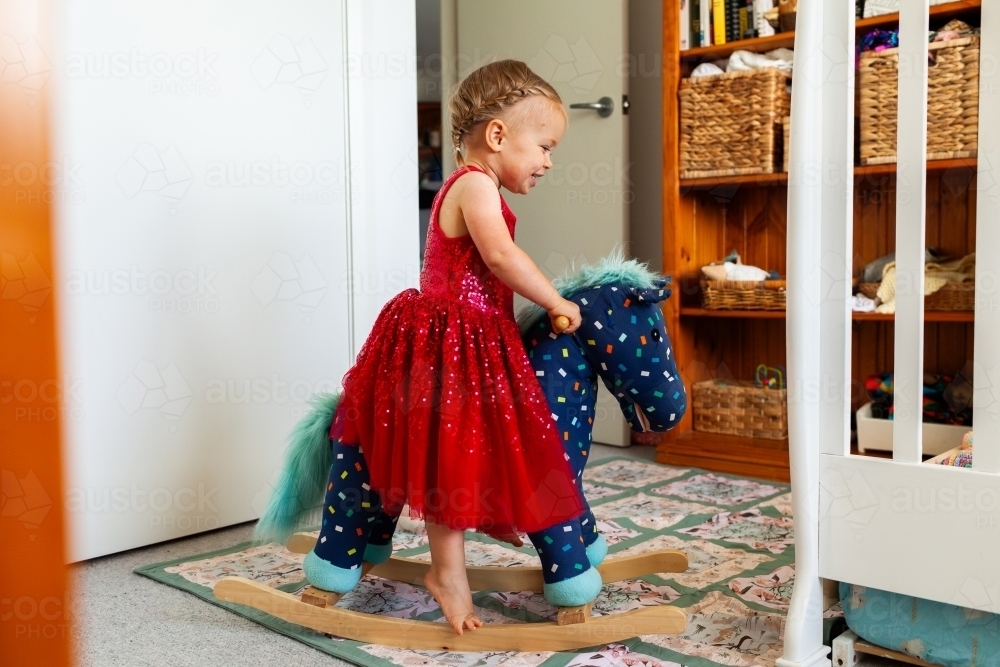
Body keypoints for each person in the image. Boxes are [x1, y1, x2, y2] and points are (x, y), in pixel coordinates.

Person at [306, 59, 592, 635]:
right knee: (450, 458)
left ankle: (456, 567)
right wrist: (558, 302)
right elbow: (500, 258)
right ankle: (448, 574)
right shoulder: (473, 185)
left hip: (476, 343)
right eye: (543, 145)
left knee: (461, 458)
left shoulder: (472, 185)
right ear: (497, 135)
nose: (548, 161)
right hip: (451, 347)